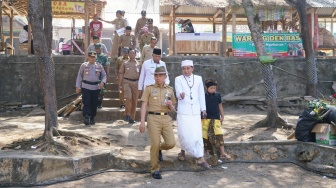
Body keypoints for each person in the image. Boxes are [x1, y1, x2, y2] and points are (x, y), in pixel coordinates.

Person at [139, 66, 176, 179]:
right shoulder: (149, 88)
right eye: (156, 75)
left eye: (160, 75)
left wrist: (171, 106)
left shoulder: (169, 90)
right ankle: (154, 169)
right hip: (153, 118)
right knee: (154, 144)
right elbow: (144, 105)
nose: (158, 78)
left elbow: (173, 108)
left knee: (171, 143)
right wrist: (142, 122)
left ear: (165, 76)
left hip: (166, 118)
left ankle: (159, 148)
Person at [175, 60, 210, 169]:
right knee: (184, 133)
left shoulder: (198, 79)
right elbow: (178, 93)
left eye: (188, 68)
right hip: (183, 110)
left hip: (195, 111)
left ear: (192, 68)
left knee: (196, 134)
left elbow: (201, 95)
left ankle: (200, 158)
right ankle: (183, 151)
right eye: (184, 69)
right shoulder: (178, 79)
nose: (186, 70)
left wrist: (203, 109)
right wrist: (181, 95)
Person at [202, 79, 231, 160]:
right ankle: (205, 152)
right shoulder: (203, 96)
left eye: (214, 88)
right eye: (211, 88)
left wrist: (222, 116)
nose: (213, 90)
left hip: (216, 119)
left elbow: (220, 106)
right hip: (205, 119)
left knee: (219, 135)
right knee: (205, 136)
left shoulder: (218, 95)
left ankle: (222, 153)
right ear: (206, 88)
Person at [75, 51, 106, 125]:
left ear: (96, 57)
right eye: (91, 57)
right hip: (86, 86)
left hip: (96, 87)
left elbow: (104, 75)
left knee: (94, 103)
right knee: (86, 102)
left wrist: (103, 82)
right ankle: (86, 116)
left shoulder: (99, 66)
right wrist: (78, 86)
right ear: (88, 57)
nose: (92, 58)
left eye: (94, 57)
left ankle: (92, 117)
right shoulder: (84, 65)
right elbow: (79, 76)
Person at [119, 49, 141, 123]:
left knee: (135, 101)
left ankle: (132, 117)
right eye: (130, 53)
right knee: (128, 98)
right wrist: (119, 84)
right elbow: (121, 73)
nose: (132, 54)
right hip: (127, 82)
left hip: (136, 83)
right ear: (128, 54)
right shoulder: (124, 63)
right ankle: (127, 114)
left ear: (135, 54)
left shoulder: (139, 64)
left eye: (133, 53)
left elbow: (141, 75)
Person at [95, 43, 110, 109]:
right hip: (94, 75)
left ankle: (100, 102)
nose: (98, 50)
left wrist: (108, 74)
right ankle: (95, 102)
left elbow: (107, 65)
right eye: (96, 48)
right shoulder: (93, 55)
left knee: (102, 90)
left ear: (101, 49)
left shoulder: (104, 56)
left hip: (102, 75)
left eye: (99, 48)